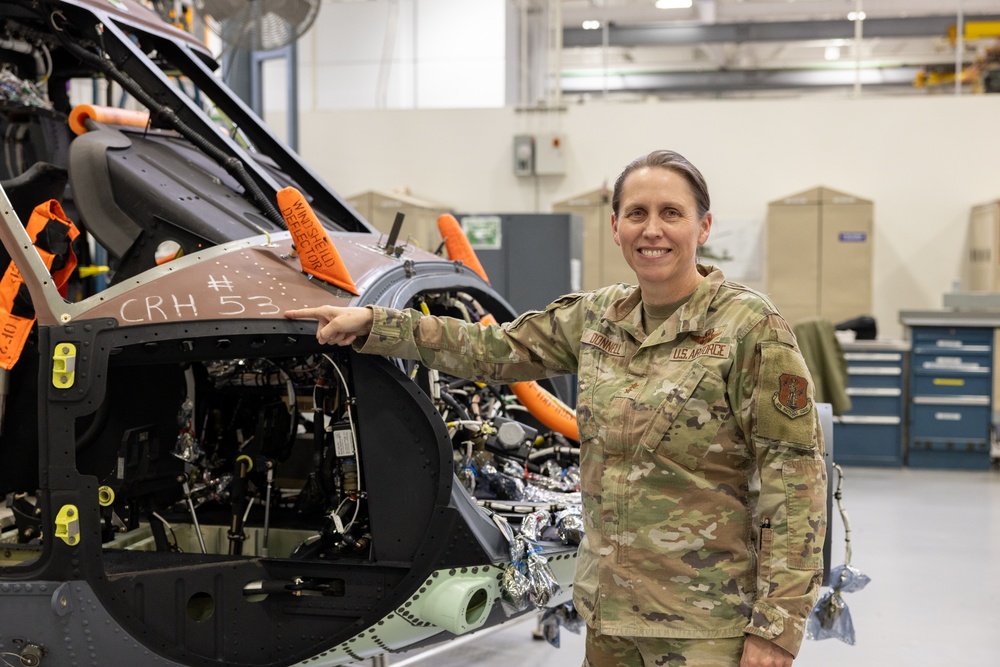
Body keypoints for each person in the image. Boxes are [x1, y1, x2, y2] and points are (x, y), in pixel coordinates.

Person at [285, 150, 827, 667]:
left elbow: (795, 481)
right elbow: (495, 349)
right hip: (610, 614)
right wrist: (377, 326)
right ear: (616, 227)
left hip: (706, 625)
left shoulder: (748, 328)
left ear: (702, 227)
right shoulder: (598, 318)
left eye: (671, 214)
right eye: (636, 214)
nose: (652, 229)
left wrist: (777, 626)